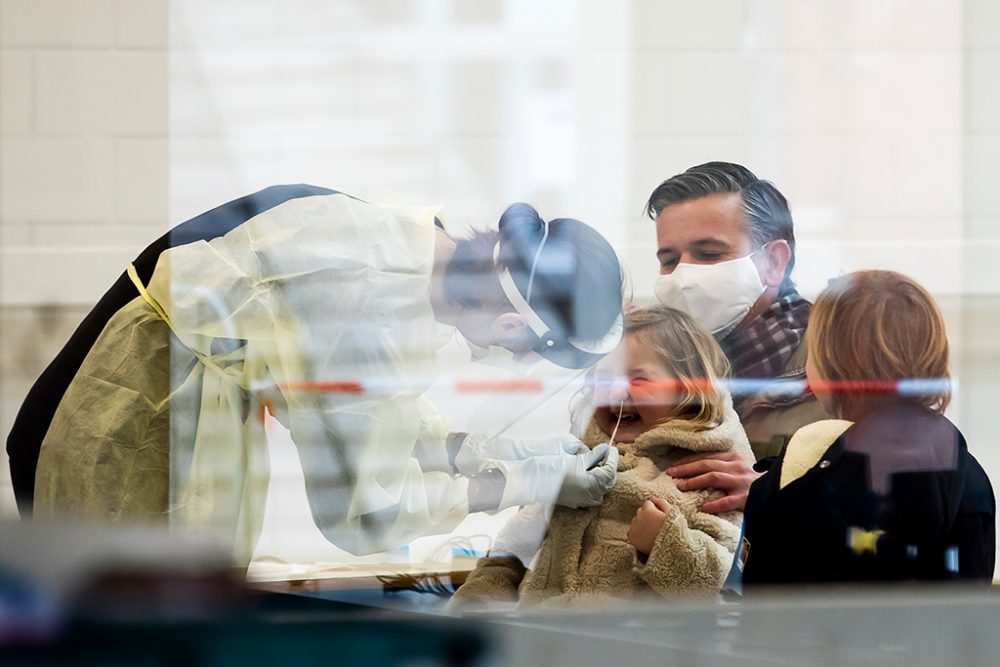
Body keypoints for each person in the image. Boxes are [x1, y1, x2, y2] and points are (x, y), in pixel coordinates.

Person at [13, 186, 625, 563]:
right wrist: (526, 482)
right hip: (123, 429)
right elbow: (364, 514)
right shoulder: (364, 307)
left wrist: (493, 453)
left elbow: (382, 421)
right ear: (516, 331)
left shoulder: (398, 252)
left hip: (164, 406)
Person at [448, 306, 753, 609]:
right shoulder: (577, 463)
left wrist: (665, 541)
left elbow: (716, 584)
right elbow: (511, 553)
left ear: (689, 388)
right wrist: (475, 606)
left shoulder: (709, 472)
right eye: (605, 380)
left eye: (638, 379)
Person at [741, 271, 995, 585]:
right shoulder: (969, 475)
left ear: (832, 365)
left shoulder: (814, 473)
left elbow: (770, 598)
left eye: (813, 350)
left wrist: (766, 492)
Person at [644, 162, 832, 515]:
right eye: (670, 260)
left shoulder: (842, 361)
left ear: (774, 262)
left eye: (709, 254)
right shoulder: (658, 368)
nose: (684, 276)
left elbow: (901, 503)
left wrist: (772, 495)